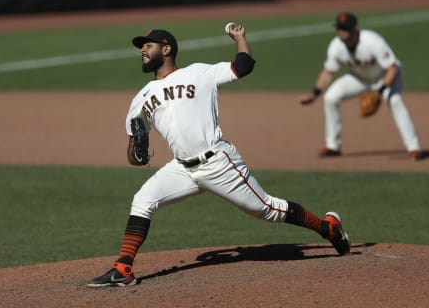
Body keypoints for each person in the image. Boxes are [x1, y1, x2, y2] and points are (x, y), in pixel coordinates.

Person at [88, 25, 350, 287]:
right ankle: (123, 269)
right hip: (181, 169)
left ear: (166, 49)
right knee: (143, 200)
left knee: (267, 209)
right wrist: (138, 151)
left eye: (148, 45)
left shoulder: (200, 72)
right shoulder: (141, 97)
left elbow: (243, 66)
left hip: (217, 162)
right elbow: (134, 156)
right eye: (141, 46)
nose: (143, 50)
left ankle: (328, 228)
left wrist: (240, 39)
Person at [300, 12, 423, 161]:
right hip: (360, 78)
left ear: (355, 29)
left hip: (384, 77)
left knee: (395, 100)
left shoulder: (372, 41)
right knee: (330, 98)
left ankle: (414, 147)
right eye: (339, 28)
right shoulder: (336, 46)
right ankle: (333, 146)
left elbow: (393, 68)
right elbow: (328, 72)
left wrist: (381, 91)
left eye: (345, 28)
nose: (341, 32)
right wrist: (314, 94)